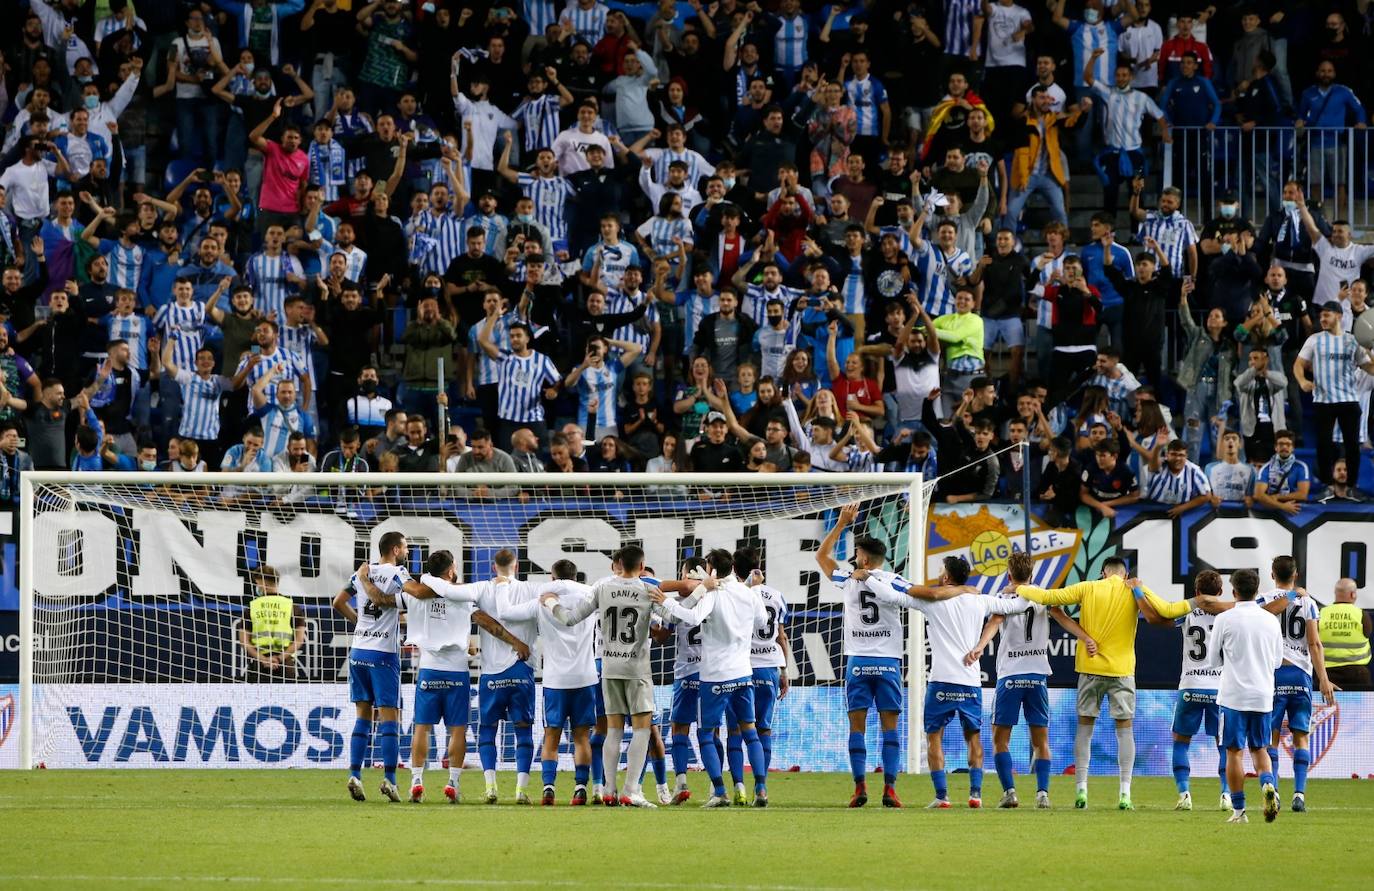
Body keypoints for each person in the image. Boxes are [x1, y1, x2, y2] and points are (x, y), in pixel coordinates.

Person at [1015, 556, 1201, 810]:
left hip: (1090, 670)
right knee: (1124, 731)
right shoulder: (1133, 589)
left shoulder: (1088, 587)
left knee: (1084, 730)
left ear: (1103, 573)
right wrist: (1198, 601)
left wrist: (1019, 588)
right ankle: (1125, 793)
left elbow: (1048, 599)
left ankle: (1081, 791)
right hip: (1122, 672)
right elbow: (1169, 611)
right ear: (1124, 575)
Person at [357, 548, 528, 805]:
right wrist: (516, 642)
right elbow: (490, 625)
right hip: (457, 672)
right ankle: (453, 783)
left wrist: (364, 580)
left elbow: (380, 600)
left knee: (422, 729)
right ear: (450, 571)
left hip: (428, 669)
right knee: (457, 731)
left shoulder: (413, 595)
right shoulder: (463, 597)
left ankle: (416, 781)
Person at [861, 555, 1031, 809]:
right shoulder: (980, 600)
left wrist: (868, 579)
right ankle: (975, 795)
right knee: (973, 737)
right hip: (970, 681)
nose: (939, 574)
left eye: (941, 571)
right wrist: (1021, 587)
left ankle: (942, 796)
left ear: (947, 577)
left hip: (941, 680)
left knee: (934, 738)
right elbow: (1017, 606)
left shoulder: (933, 601)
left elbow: (893, 597)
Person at [542, 545, 670, 808]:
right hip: (637, 670)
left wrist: (551, 602)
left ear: (618, 563)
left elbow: (569, 619)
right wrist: (699, 591)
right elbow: (674, 618)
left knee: (612, 730)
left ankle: (609, 791)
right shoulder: (648, 590)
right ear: (643, 566)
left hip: (609, 668)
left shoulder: (601, 588)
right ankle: (631, 790)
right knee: (642, 730)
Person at [966, 551, 1096, 809]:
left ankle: (1010, 792)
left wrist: (980, 646)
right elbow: (1064, 619)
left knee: (1000, 739)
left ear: (1009, 574)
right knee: (1041, 740)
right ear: (1032, 574)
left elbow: (994, 622)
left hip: (1011, 676)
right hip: (1037, 675)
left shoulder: (1004, 597)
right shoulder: (1042, 597)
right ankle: (1042, 794)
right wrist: (1086, 638)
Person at [650, 548, 771, 808]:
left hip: (715, 676)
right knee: (750, 732)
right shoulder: (747, 593)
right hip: (743, 674)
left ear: (713, 568)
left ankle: (720, 792)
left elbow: (692, 617)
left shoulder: (714, 594)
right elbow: (762, 622)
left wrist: (665, 602)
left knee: (706, 733)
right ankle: (760, 789)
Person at [815, 503, 912, 808]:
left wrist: (842, 522)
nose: (854, 558)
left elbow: (821, 556)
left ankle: (859, 788)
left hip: (858, 661)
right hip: (888, 662)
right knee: (890, 729)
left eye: (857, 554)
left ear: (865, 559)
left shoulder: (849, 579)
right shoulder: (895, 581)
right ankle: (891, 789)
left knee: (857, 727)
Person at [330, 531, 428, 803]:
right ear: (395, 550)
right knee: (389, 719)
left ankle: (354, 775)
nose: (407, 552)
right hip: (383, 654)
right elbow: (414, 595)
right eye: (406, 547)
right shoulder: (398, 574)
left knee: (362, 715)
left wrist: (360, 625)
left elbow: (337, 602)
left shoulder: (362, 572)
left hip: (359, 651)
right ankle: (390, 780)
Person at [502, 559, 600, 806]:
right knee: (581, 738)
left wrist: (503, 587)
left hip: (555, 680)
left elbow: (506, 613)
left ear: (552, 577)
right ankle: (580, 788)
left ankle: (548, 787)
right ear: (576, 575)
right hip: (586, 677)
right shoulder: (590, 595)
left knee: (551, 737)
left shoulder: (543, 599)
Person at [1137, 569, 1230, 811]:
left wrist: (1138, 592)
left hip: (1190, 686)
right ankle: (1226, 795)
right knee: (1225, 745)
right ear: (1220, 592)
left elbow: (1154, 619)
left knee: (1180, 742)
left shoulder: (1188, 611)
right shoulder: (1230, 614)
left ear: (1196, 592)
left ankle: (1184, 794)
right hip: (1220, 690)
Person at [1255, 556, 1336, 812]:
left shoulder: (1265, 599)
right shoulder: (1308, 602)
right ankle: (1299, 795)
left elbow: (1257, 616)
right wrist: (1323, 678)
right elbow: (1314, 643)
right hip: (1301, 676)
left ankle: (1275, 792)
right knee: (1302, 737)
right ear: (1296, 574)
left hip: (1274, 674)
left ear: (1272, 574)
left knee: (1272, 738)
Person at [1212, 567, 1282, 824]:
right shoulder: (1270, 620)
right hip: (1263, 695)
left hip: (1233, 697)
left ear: (1234, 591)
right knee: (1260, 748)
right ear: (1257, 590)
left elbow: (1212, 661)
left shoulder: (1224, 619)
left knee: (1233, 752)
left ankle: (1239, 810)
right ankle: (1267, 783)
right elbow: (1276, 662)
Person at [1293, 302, 1374, 487]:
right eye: (1321, 316)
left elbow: (1370, 368)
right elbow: (1298, 364)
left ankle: (1352, 486)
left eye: (1326, 315)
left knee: (1353, 446)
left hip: (1349, 400)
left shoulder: (1353, 340)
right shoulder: (1314, 339)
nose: (1322, 319)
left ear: (1338, 316)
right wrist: (1302, 381)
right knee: (1323, 445)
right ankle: (1327, 486)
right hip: (1324, 401)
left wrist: (1370, 351)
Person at [738, 548, 791, 776]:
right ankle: (762, 784)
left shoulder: (736, 593)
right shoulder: (776, 596)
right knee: (764, 728)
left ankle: (737, 785)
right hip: (769, 666)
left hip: (740, 667)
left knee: (736, 729)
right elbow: (782, 636)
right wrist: (784, 670)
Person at [1319, 579, 1372, 689]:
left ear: (1335, 593)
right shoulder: (1362, 615)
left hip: (1326, 675)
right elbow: (1368, 633)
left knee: (1328, 706)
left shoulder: (1321, 613)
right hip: (1357, 675)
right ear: (1353, 594)